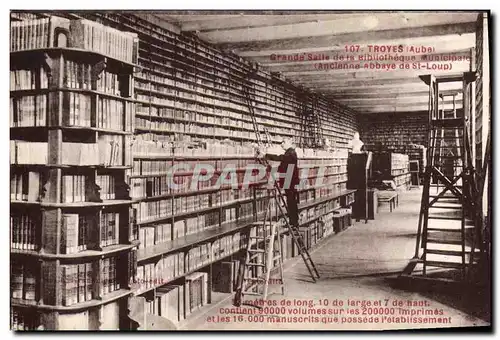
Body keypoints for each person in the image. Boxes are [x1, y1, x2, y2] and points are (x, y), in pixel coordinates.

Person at [258, 138, 300, 227]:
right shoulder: (290, 153)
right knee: (290, 201)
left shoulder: (291, 153)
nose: (282, 144)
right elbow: (283, 166)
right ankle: (293, 221)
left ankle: (294, 222)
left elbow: (280, 158)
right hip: (289, 178)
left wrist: (265, 155)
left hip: (290, 179)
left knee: (291, 201)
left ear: (289, 143)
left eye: (283, 142)